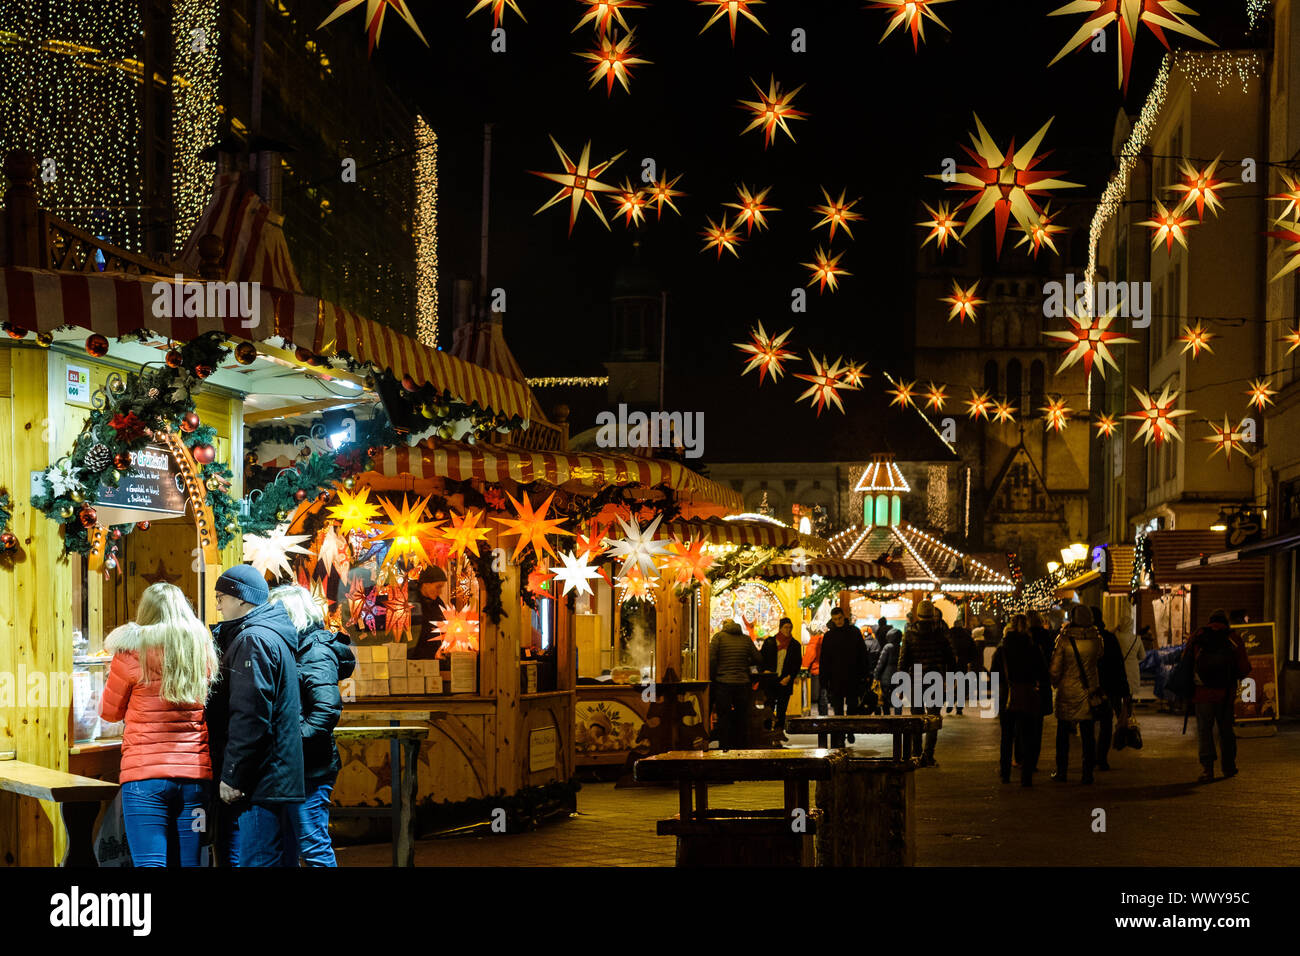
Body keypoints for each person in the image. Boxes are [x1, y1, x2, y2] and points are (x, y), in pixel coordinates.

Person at [98, 583, 219, 866]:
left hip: (145, 778)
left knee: (150, 864)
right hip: (195, 778)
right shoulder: (200, 650)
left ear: (146, 611)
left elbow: (109, 712)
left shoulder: (129, 652)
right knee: (191, 862)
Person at [208, 564, 305, 866]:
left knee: (259, 860)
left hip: (261, 780)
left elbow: (250, 714)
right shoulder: (270, 634)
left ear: (241, 599)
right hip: (273, 776)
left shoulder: (254, 640)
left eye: (221, 596)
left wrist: (233, 774)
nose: (218, 604)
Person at [268, 584, 356, 867]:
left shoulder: (315, 651)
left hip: (311, 766)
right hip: (299, 765)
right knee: (293, 843)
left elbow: (326, 710)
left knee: (312, 844)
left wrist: (290, 742)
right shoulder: (300, 648)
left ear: (291, 615)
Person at [1184, 609, 1251, 782]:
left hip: (1201, 693)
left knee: (1204, 730)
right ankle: (1228, 767)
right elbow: (1244, 668)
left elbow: (1185, 661)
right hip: (1225, 694)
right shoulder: (1233, 638)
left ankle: (1208, 769)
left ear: (1209, 621)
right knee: (1226, 730)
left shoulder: (1198, 635)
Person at [990, 614, 1049, 787]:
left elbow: (994, 673)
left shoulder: (1002, 649)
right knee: (1028, 736)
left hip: (1008, 696)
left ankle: (1005, 773)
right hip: (1028, 695)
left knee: (1007, 736)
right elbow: (1044, 674)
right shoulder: (1033, 648)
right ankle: (1026, 776)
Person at [1049, 605, 1103, 784]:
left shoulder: (1064, 639)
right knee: (1088, 735)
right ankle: (1087, 773)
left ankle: (1062, 771)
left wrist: (1055, 682)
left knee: (1063, 734)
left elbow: (1056, 668)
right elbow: (1099, 659)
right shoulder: (1097, 639)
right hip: (1089, 691)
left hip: (1068, 691)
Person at [898, 600, 956, 766]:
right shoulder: (941, 633)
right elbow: (950, 659)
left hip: (915, 680)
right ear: (933, 614)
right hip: (935, 679)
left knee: (916, 718)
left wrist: (901, 684)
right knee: (932, 719)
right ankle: (928, 755)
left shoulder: (909, 634)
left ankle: (916, 753)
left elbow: (903, 660)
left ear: (918, 614)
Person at [709, 619, 761, 750]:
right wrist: (744, 662)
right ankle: (741, 746)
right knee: (742, 716)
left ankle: (724, 746)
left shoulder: (718, 637)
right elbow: (758, 658)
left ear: (723, 626)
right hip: (742, 683)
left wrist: (715, 674)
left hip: (723, 683)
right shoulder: (746, 639)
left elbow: (711, 659)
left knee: (723, 716)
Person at [819, 607, 867, 742]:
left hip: (850, 677)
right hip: (838, 678)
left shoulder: (850, 633)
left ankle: (848, 730)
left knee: (851, 707)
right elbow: (824, 659)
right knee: (839, 710)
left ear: (843, 617)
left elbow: (862, 654)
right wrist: (824, 680)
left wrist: (864, 674)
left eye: (839, 618)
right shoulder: (832, 635)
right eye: (835, 619)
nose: (838, 621)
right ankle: (842, 733)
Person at [1091, 606, 1130, 771]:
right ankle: (1101, 758)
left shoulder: (1083, 639)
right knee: (1106, 723)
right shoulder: (1109, 638)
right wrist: (1124, 690)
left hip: (1089, 688)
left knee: (1088, 723)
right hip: (1109, 687)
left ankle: (1091, 756)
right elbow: (1119, 665)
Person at [760, 618, 803, 738]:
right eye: (785, 627)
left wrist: (790, 677)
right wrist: (764, 671)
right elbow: (762, 659)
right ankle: (767, 731)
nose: (788, 630)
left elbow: (796, 663)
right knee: (769, 707)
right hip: (771, 680)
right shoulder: (770, 642)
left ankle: (779, 731)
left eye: (790, 627)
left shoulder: (795, 645)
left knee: (782, 708)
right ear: (780, 628)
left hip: (785, 680)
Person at [408, 564, 448, 660]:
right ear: (425, 584)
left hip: (433, 659)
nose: (440, 592)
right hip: (413, 659)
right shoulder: (411, 602)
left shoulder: (438, 603)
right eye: (438, 587)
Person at [946, 616, 976, 716]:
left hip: (951, 664)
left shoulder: (949, 635)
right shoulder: (967, 636)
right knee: (962, 686)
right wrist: (969, 661)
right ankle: (959, 707)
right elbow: (973, 651)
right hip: (963, 664)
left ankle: (950, 703)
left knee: (951, 685)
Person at [874, 625, 902, 715]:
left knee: (885, 699)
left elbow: (881, 663)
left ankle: (887, 716)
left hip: (886, 678)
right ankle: (898, 717)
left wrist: (876, 675)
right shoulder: (900, 647)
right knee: (897, 699)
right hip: (898, 677)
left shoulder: (887, 647)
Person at [804, 626, 827, 717]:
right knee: (823, 695)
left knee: (818, 696)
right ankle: (824, 714)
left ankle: (822, 715)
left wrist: (804, 666)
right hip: (823, 671)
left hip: (815, 672)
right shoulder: (824, 641)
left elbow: (808, 658)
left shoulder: (814, 642)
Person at [861, 624, 883, 715]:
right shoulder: (876, 642)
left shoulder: (863, 644)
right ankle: (877, 710)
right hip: (875, 671)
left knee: (866, 692)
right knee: (875, 692)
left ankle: (866, 710)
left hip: (867, 672)